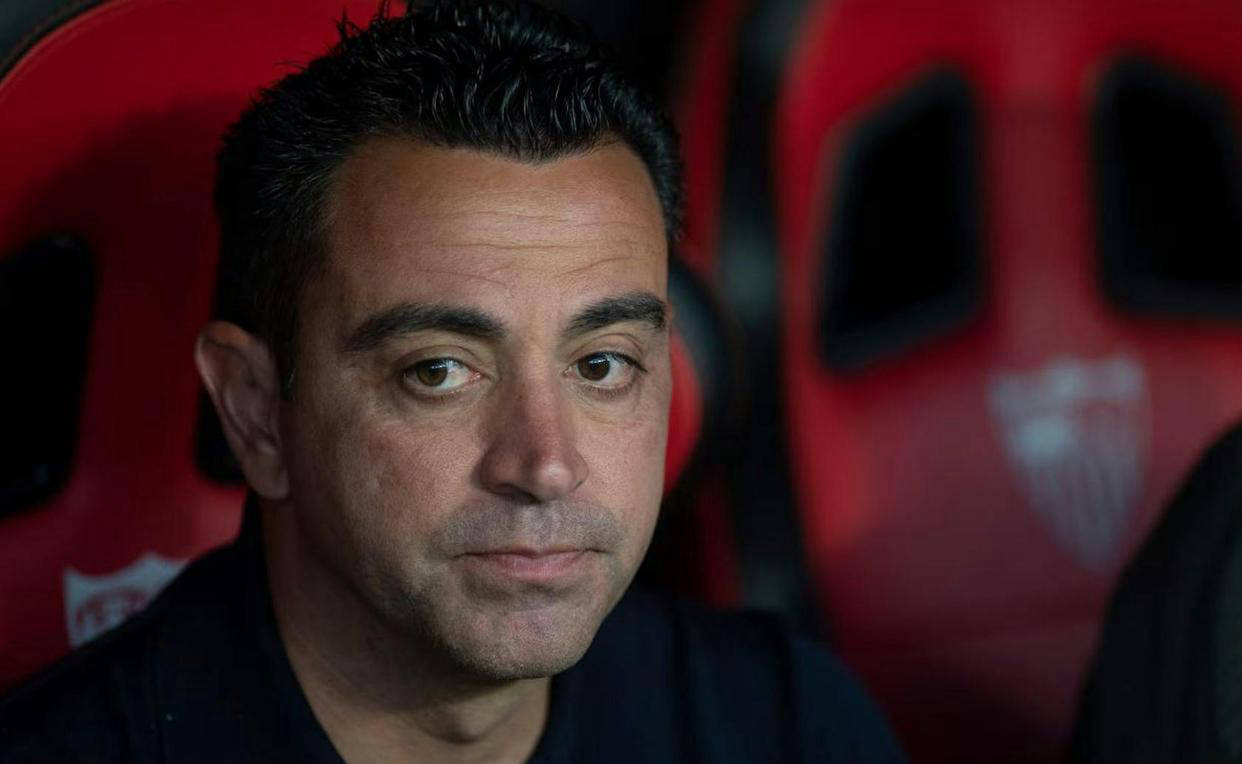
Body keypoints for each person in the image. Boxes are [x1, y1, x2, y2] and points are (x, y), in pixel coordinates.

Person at [0, 2, 904, 761]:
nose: (547, 465)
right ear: (254, 413)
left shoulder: (782, 720)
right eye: (439, 372)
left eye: (601, 365)